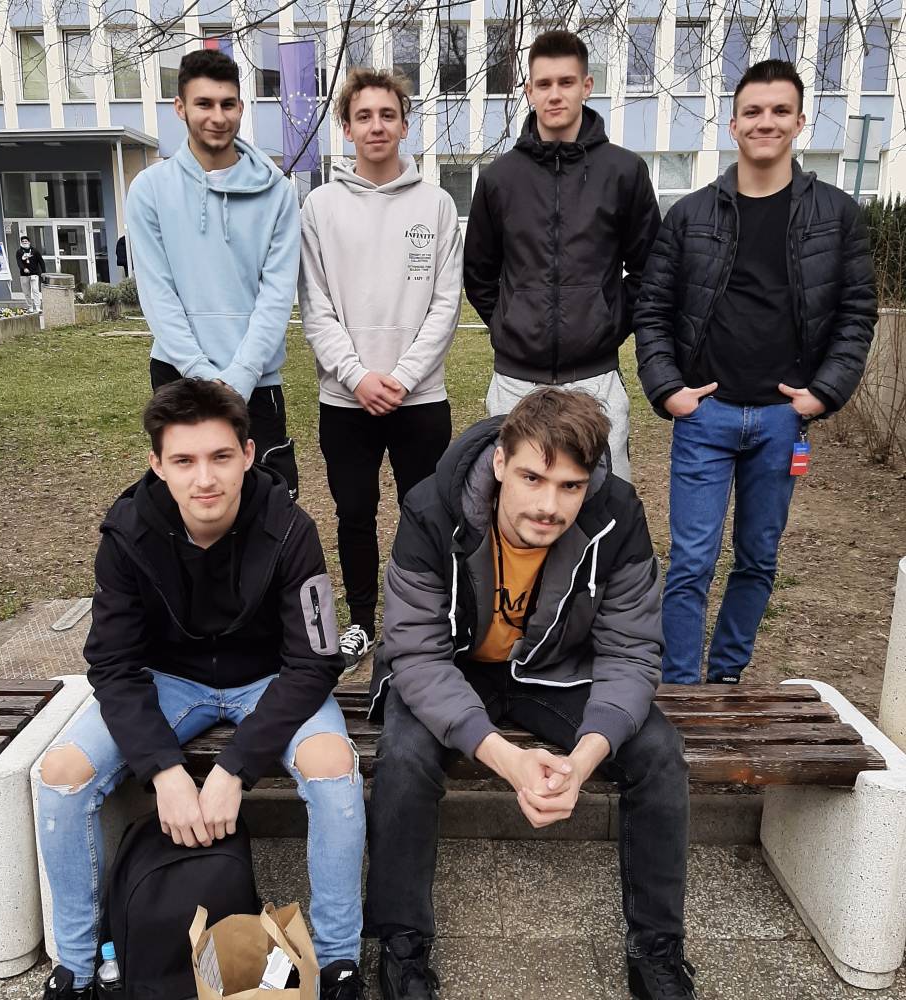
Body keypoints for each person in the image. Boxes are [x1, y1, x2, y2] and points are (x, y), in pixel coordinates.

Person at [34, 379, 366, 1000]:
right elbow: (112, 664)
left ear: (248, 454)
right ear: (157, 464)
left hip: (272, 679)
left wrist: (234, 768)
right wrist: (164, 770)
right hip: (168, 681)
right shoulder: (127, 532)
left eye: (220, 457)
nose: (204, 479)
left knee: (334, 767)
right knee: (59, 776)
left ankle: (339, 961)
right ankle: (76, 970)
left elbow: (315, 660)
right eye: (184, 461)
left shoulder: (291, 528)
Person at [364, 387, 694, 1000]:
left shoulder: (618, 518)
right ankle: (401, 945)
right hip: (453, 667)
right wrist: (508, 760)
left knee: (657, 752)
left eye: (570, 486)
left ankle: (657, 950)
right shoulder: (432, 510)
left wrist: (584, 758)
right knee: (404, 757)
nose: (549, 505)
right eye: (532, 478)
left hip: (552, 669)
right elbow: (417, 652)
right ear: (499, 462)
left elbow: (630, 653)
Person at [634, 59, 877, 685]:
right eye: (752, 111)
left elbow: (856, 313)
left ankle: (726, 677)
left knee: (758, 559)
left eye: (778, 111)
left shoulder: (836, 215)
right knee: (691, 561)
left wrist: (824, 394)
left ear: (800, 121)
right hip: (705, 417)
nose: (765, 122)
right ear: (733, 123)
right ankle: (680, 687)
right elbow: (653, 308)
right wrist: (669, 390)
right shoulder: (690, 216)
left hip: (782, 421)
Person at [299, 68, 462, 670]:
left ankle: (424, 620)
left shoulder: (436, 204)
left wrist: (404, 376)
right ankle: (362, 622)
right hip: (347, 401)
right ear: (346, 127)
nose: (376, 126)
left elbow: (446, 304)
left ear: (404, 123)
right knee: (355, 515)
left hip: (420, 400)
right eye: (363, 116)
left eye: (387, 115)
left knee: (428, 514)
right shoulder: (320, 206)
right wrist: (357, 377)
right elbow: (315, 305)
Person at [463, 30, 661, 482]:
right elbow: (479, 273)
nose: (555, 94)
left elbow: (650, 267)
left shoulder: (624, 172)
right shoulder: (499, 179)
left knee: (606, 501)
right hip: (515, 382)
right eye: (544, 84)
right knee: (518, 501)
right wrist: (510, 322)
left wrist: (610, 320)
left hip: (595, 378)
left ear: (587, 86)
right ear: (528, 91)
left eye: (566, 82)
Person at [127, 49, 299, 497]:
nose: (218, 117)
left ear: (241, 107)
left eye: (228, 104)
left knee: (266, 504)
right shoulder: (149, 190)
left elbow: (277, 294)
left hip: (257, 380)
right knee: (189, 501)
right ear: (180, 108)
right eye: (204, 104)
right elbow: (157, 292)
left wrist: (239, 376)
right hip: (177, 373)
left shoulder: (278, 193)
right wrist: (201, 374)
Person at [15, 234, 45, 312]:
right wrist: (23, 268)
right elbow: (19, 262)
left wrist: (43, 272)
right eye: (23, 241)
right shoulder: (19, 252)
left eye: (26, 241)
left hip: (34, 273)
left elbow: (41, 261)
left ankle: (38, 307)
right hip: (24, 275)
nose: (24, 242)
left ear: (29, 242)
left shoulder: (35, 251)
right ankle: (30, 307)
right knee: (27, 292)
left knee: (35, 290)